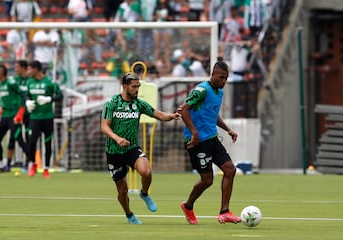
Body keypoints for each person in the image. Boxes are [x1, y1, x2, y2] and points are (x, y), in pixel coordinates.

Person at [101, 72, 181, 224]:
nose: (137, 89)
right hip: (114, 151)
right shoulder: (111, 103)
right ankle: (129, 214)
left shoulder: (138, 104)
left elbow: (157, 114)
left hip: (131, 148)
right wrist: (117, 139)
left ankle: (144, 193)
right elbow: (104, 127)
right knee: (122, 190)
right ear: (125, 86)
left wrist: (172, 116)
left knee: (146, 171)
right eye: (134, 86)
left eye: (138, 86)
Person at [177, 57, 241, 225]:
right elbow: (184, 110)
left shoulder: (219, 92)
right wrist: (194, 133)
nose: (224, 81)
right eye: (221, 77)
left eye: (226, 78)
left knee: (230, 170)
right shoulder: (201, 90)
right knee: (207, 180)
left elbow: (213, 114)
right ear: (213, 74)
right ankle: (188, 205)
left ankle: (224, 212)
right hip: (197, 141)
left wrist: (228, 129)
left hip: (211, 137)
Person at [25, 60, 63, 178]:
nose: (28, 72)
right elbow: (27, 95)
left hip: (47, 117)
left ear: (36, 69)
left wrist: (49, 99)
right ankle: (33, 165)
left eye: (29, 69)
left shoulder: (49, 82)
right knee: (31, 142)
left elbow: (60, 95)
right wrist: (27, 101)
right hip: (34, 117)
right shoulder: (29, 82)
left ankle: (46, 168)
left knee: (47, 143)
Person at [0, 64, 26, 173]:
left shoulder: (11, 83)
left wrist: (21, 112)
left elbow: (22, 95)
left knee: (19, 140)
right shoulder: (1, 84)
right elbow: (7, 100)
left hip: (14, 116)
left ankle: (31, 161)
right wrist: (0, 112)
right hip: (5, 116)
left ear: (1, 72)